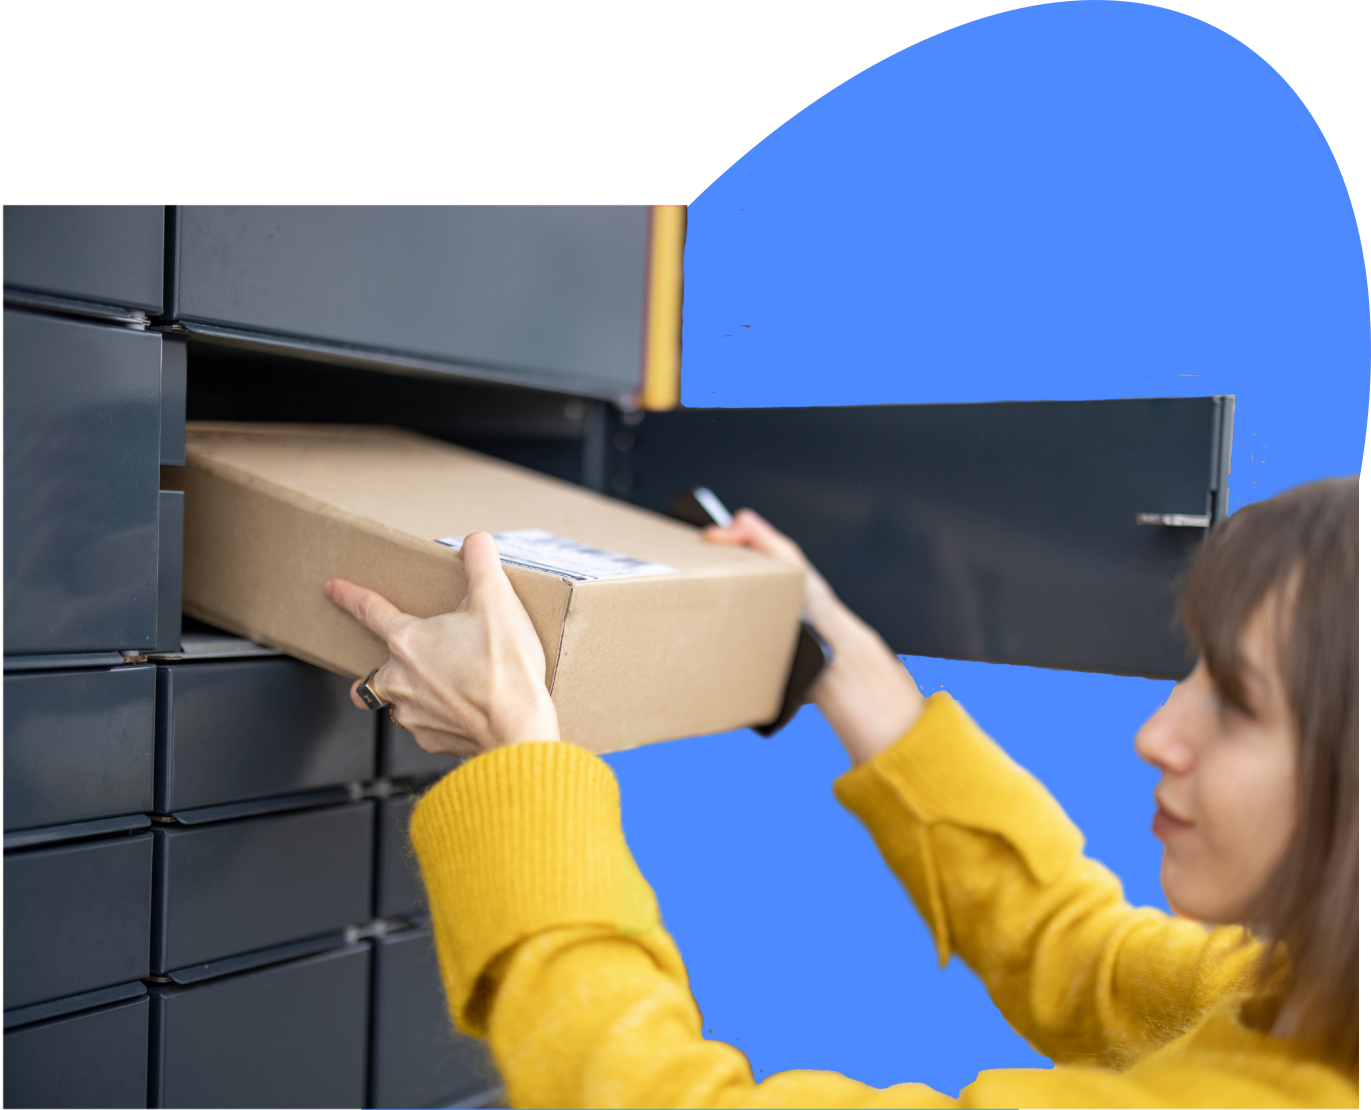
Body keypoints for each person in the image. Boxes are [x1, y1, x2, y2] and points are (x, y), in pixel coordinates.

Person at [324, 476, 1358, 1108]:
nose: (1155, 734)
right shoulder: (1307, 1004)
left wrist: (519, 763)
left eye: (1239, 706)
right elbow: (1085, 962)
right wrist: (848, 666)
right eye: (1194, 675)